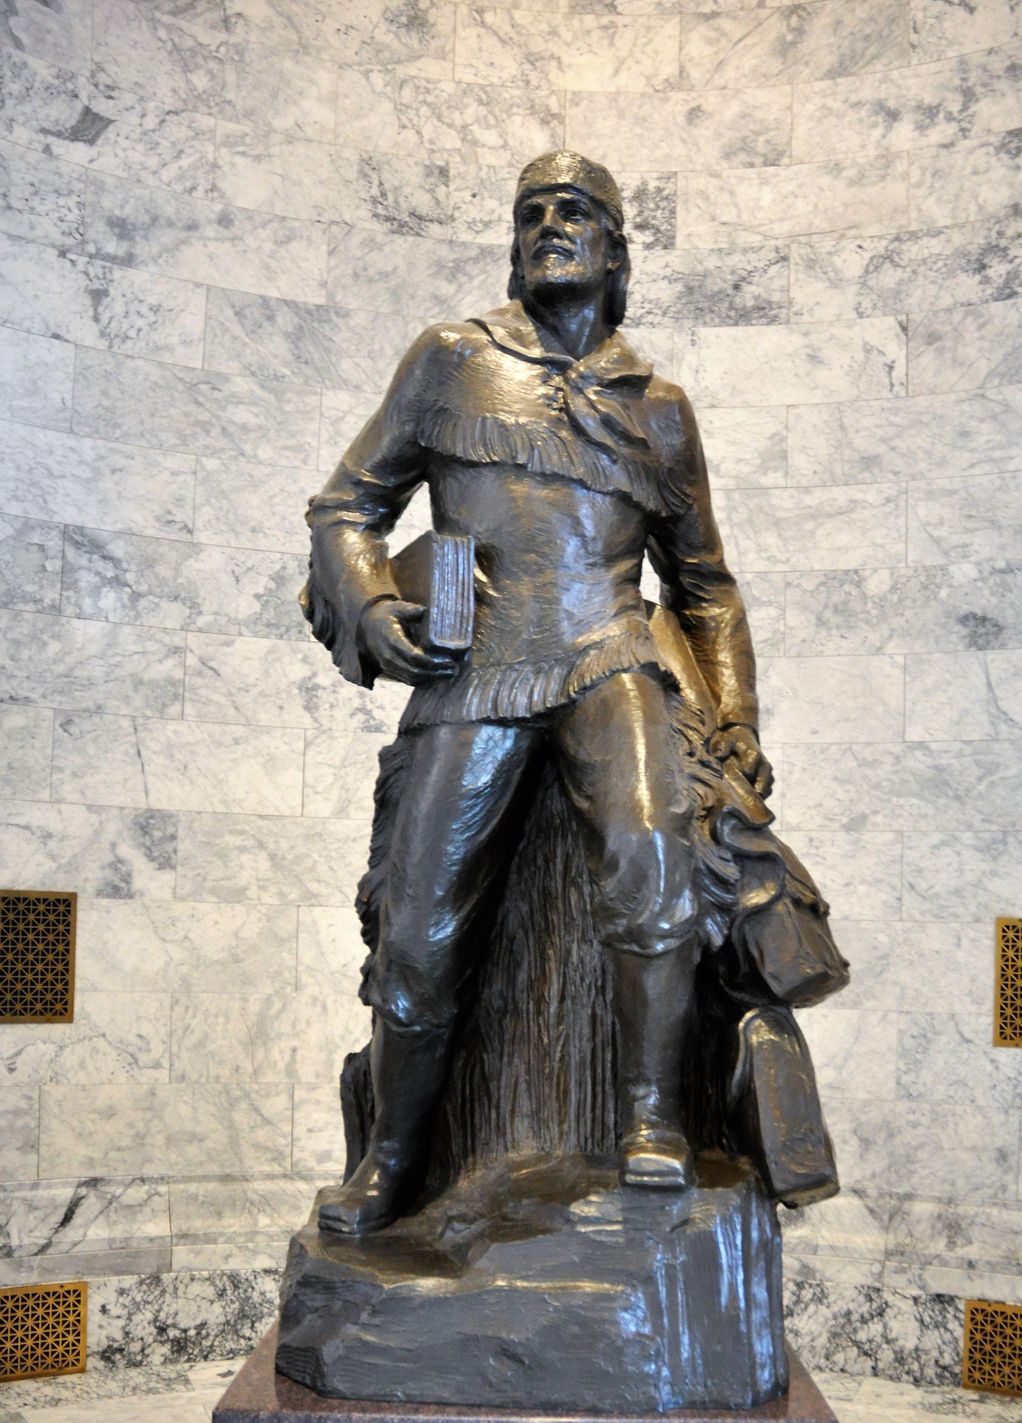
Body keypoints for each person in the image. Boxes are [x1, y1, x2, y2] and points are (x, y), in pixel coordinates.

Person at [303, 151, 842, 1236]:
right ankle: (393, 1158)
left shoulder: (664, 410)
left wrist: (733, 721)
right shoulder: (451, 359)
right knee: (416, 925)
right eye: (535, 213)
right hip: (479, 669)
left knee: (652, 860)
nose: (554, 226)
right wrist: (370, 609)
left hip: (611, 653)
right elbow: (344, 509)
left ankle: (652, 1121)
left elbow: (705, 586)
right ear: (514, 244)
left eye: (579, 212)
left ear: (615, 250)